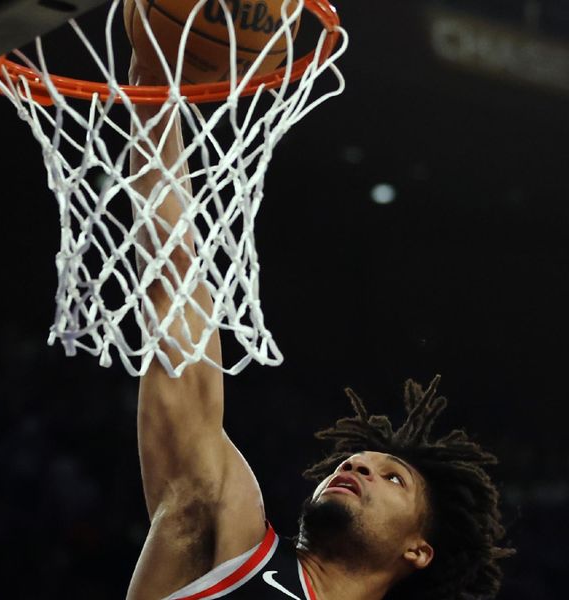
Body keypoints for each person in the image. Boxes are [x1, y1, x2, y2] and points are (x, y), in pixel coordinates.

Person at [125, 56, 511, 600]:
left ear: (418, 549)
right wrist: (153, 85)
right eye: (360, 462)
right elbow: (176, 281)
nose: (355, 465)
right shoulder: (225, 538)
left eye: (392, 477)